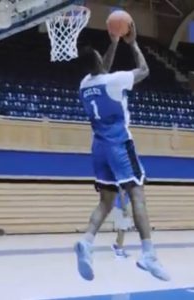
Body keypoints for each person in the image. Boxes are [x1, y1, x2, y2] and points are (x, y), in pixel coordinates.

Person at [74, 23, 170, 282]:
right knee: (137, 196)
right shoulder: (113, 81)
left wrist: (114, 42)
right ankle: (148, 254)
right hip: (119, 144)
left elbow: (100, 69)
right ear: (96, 59)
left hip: (98, 148)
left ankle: (87, 242)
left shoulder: (85, 85)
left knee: (105, 203)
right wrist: (132, 43)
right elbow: (145, 70)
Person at [111, 188, 132, 258]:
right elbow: (122, 196)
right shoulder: (124, 184)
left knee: (121, 228)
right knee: (122, 229)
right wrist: (124, 209)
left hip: (118, 207)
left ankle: (117, 246)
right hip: (121, 208)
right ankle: (119, 251)